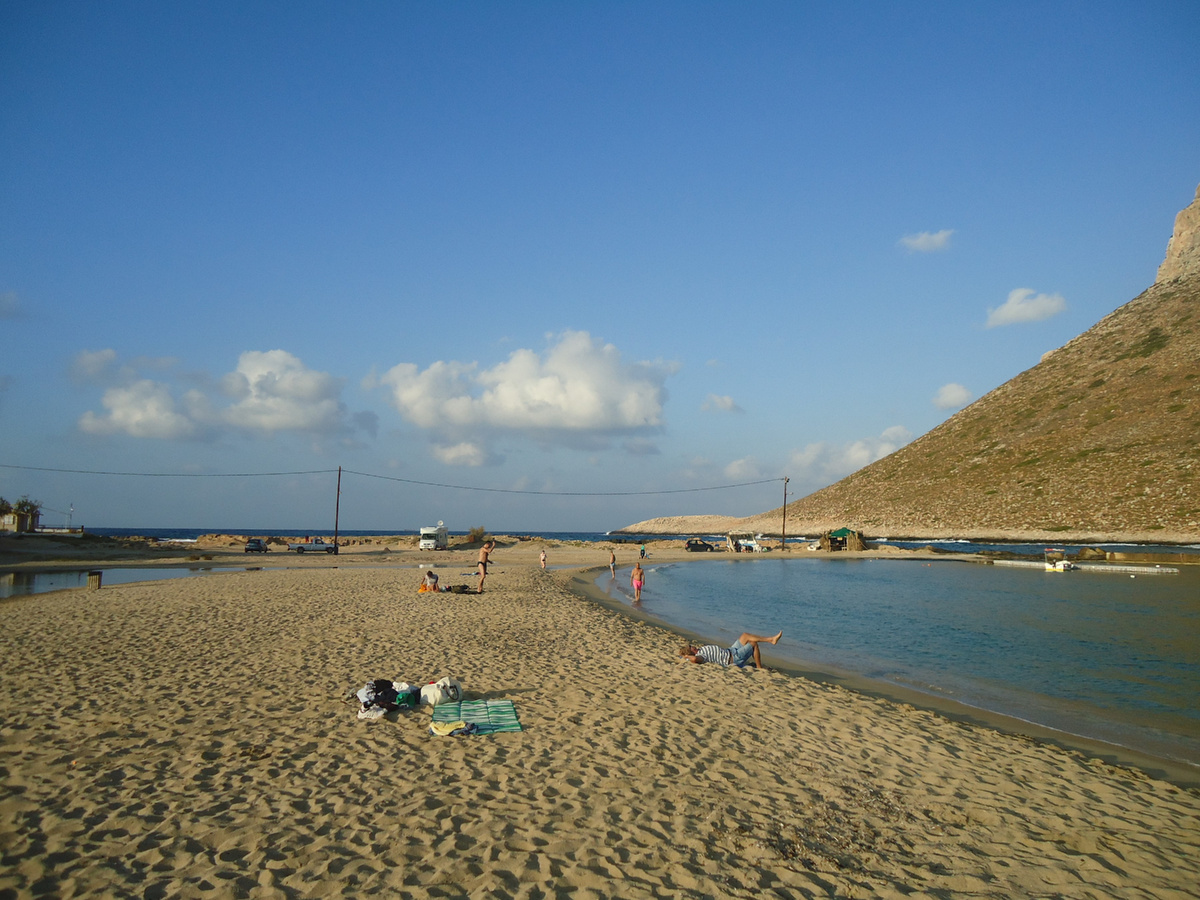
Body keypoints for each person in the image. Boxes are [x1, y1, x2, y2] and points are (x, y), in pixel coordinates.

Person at [679, 631, 782, 669]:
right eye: (690, 646)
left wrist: (683, 656)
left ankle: (770, 640)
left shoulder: (701, 650)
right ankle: (759, 667)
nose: (692, 646)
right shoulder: (700, 656)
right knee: (753, 644)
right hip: (732, 658)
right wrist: (687, 656)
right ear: (690, 651)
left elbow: (681, 656)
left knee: (745, 635)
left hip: (731, 650)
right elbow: (694, 660)